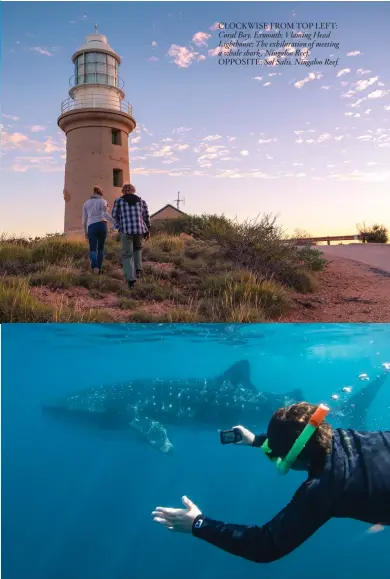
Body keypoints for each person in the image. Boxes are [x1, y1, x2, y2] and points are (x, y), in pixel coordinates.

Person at [152, 395, 390, 563]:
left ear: (288, 458)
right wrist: (256, 440)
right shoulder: (347, 436)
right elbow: (304, 441)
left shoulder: (323, 488)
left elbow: (265, 546)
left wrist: (198, 524)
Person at [111, 183, 150, 288]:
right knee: (137, 249)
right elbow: (146, 217)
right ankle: (138, 270)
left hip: (126, 230)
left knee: (127, 255)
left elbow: (114, 215)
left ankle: (131, 280)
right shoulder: (142, 201)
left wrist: (120, 224)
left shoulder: (119, 201)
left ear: (123, 191)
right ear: (133, 190)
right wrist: (147, 231)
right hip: (139, 230)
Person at [82, 186, 116, 274]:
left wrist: (85, 232)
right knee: (101, 248)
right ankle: (99, 269)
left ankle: (95, 266)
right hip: (102, 225)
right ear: (101, 193)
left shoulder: (86, 203)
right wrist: (115, 222)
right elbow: (104, 214)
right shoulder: (103, 201)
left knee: (93, 249)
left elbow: (84, 220)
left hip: (91, 226)